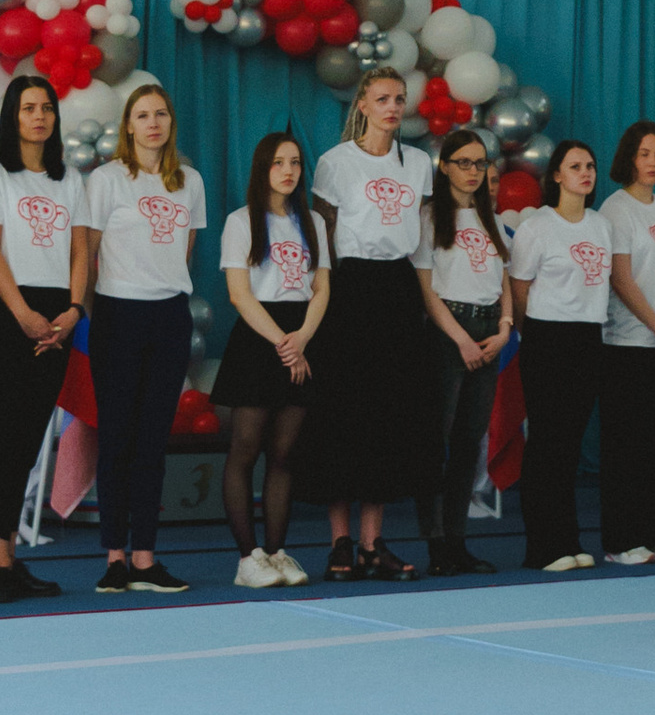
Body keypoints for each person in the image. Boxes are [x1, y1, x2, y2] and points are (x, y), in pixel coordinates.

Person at [75, 81, 204, 600]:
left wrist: (160, 290)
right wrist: (92, 314)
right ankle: (114, 558)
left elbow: (185, 251)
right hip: (117, 315)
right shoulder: (107, 179)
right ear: (128, 125)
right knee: (117, 439)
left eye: (161, 114)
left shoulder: (189, 182)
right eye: (143, 115)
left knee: (153, 440)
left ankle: (146, 558)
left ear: (171, 123)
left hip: (169, 316)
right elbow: (87, 254)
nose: (153, 123)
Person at [309, 73, 431, 582]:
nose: (392, 107)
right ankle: (340, 541)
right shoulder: (336, 162)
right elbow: (322, 232)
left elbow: (418, 232)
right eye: (382, 99)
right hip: (349, 287)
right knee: (344, 412)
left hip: (397, 288)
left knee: (387, 414)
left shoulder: (418, 163)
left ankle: (372, 542)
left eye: (399, 99)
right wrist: (325, 294)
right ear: (361, 104)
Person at [0, 73, 78, 604]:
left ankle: (6, 562)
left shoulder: (70, 179)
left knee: (29, 441)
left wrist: (74, 310)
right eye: (29, 108)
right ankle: (1, 563)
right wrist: (24, 314)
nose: (39, 117)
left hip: (59, 318)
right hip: (9, 313)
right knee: (1, 439)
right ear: (12, 116)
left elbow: (81, 250)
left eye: (47, 108)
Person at [215, 131, 329, 588]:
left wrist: (302, 338)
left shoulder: (313, 222)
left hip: (301, 335)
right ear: (262, 168)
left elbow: (321, 288)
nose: (288, 171)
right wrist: (284, 344)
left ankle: (278, 553)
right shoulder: (241, 221)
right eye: (279, 162)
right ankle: (248, 558)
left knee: (284, 455)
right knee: (245, 449)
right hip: (259, 337)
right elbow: (239, 294)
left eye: (295, 162)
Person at [505, 142, 611, 572]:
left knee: (569, 445)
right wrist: (533, 335)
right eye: (575, 166)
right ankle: (543, 547)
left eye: (590, 166)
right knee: (547, 443)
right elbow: (519, 288)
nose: (585, 172)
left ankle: (568, 539)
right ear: (556, 176)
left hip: (588, 337)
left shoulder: (601, 226)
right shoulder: (538, 227)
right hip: (547, 338)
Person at [416, 126, 508, 577]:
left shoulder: (491, 218)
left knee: (470, 443)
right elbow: (427, 290)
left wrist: (505, 327)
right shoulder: (430, 216)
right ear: (446, 166)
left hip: (489, 331)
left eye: (480, 163)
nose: (474, 171)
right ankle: (436, 544)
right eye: (464, 163)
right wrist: (460, 339)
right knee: (437, 440)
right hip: (449, 331)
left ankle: (458, 540)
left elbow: (504, 279)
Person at [599, 121, 655, 567]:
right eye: (645, 154)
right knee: (627, 447)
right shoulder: (616, 209)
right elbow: (621, 278)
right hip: (629, 344)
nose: (653, 162)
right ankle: (621, 541)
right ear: (629, 159)